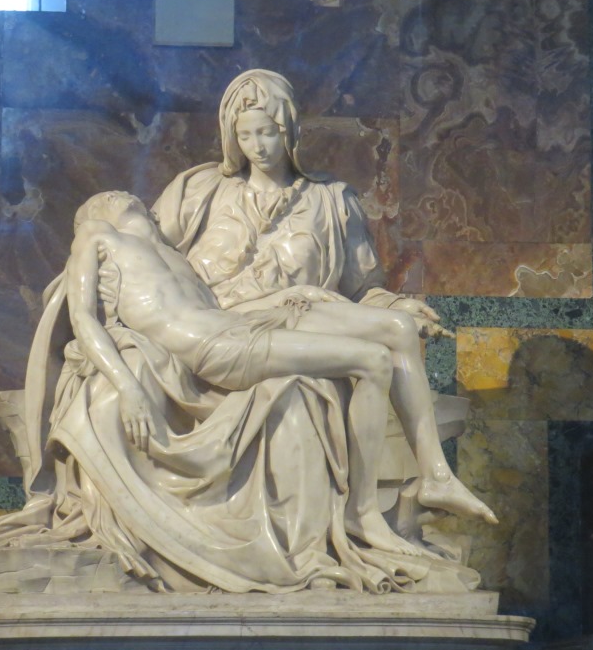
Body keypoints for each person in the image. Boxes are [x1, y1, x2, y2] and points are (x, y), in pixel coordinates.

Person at [65, 191, 495, 557]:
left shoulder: (175, 259)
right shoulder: (97, 234)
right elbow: (82, 317)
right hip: (216, 348)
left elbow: (216, 310)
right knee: (373, 361)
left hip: (234, 326)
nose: (124, 196)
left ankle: (437, 475)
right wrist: (128, 387)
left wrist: (291, 294)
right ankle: (362, 513)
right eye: (112, 196)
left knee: (397, 328)